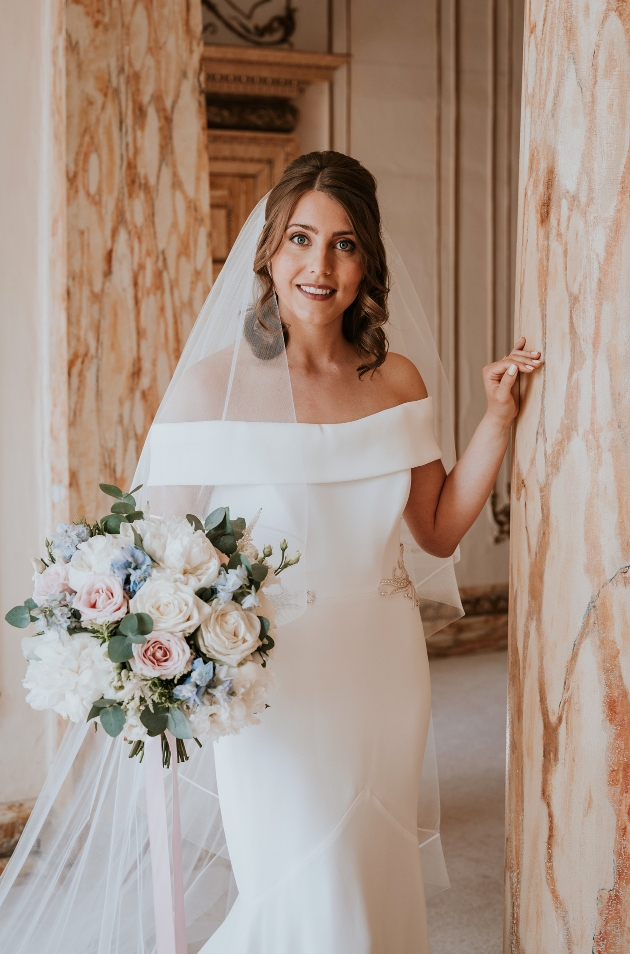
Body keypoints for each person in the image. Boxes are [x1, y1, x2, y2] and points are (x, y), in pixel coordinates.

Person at [0, 151, 542, 954]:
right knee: (304, 884)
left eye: (344, 244)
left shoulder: (398, 381)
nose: (319, 265)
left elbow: (435, 528)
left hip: (385, 675)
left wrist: (496, 419)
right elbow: (155, 554)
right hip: (272, 685)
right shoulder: (209, 389)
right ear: (266, 253)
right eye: (300, 238)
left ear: (368, 263)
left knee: (369, 875)